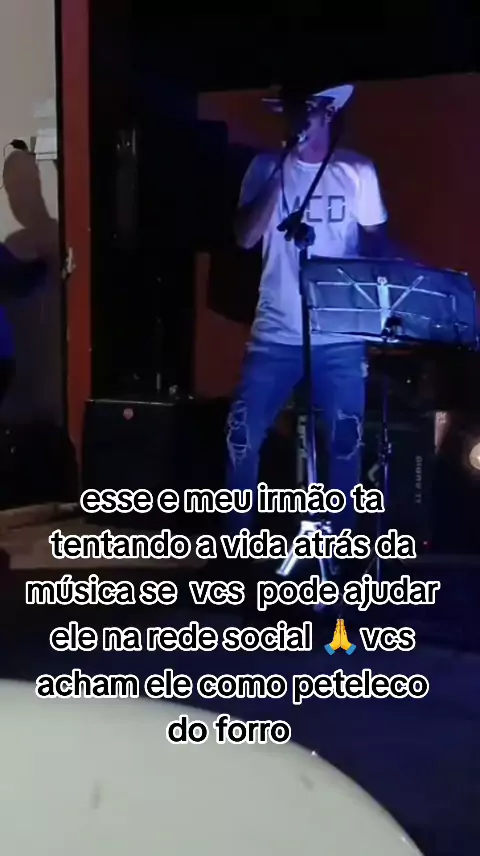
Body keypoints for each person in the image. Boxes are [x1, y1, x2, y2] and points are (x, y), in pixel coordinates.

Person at [225, 84, 390, 538]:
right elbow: (244, 237)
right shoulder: (265, 167)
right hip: (276, 333)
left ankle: (340, 546)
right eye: (291, 111)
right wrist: (281, 173)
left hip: (339, 335)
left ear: (328, 113)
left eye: (307, 111)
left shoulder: (356, 171)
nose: (298, 119)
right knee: (241, 436)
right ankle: (237, 546)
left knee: (344, 441)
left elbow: (377, 246)